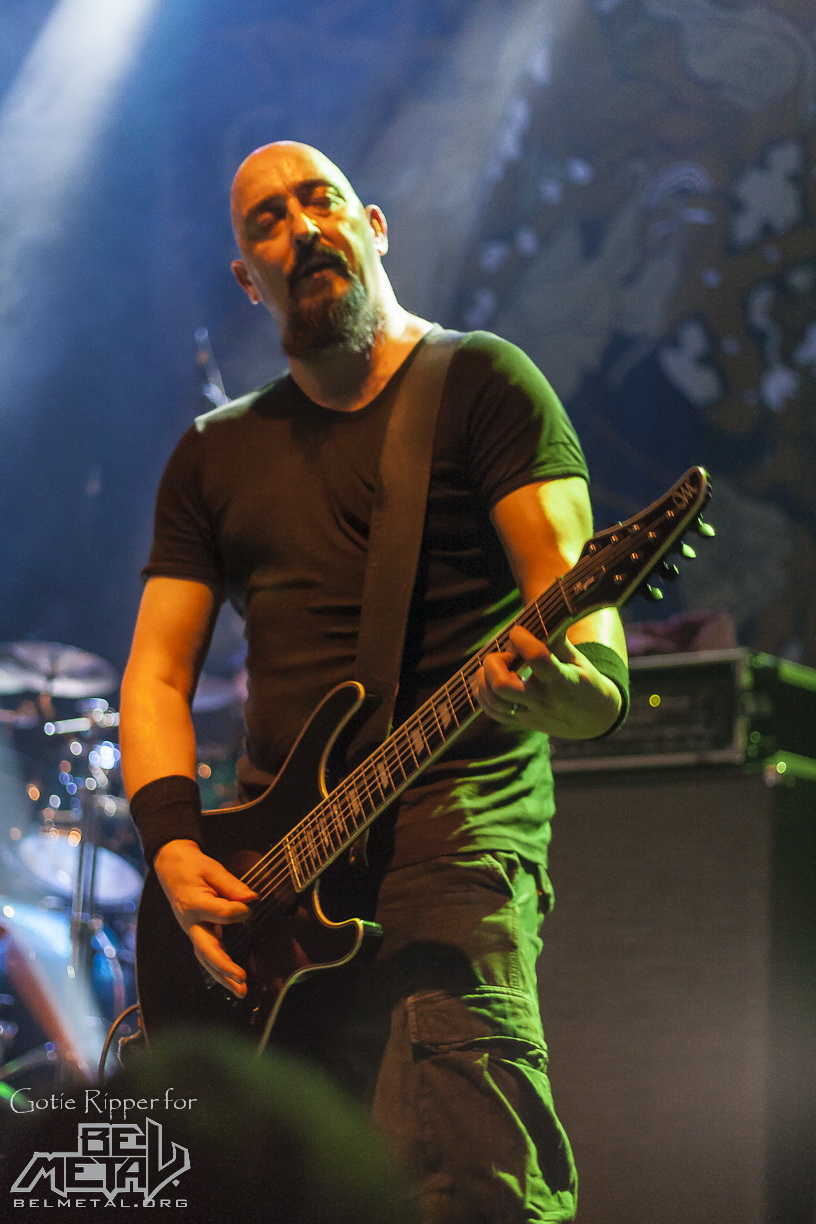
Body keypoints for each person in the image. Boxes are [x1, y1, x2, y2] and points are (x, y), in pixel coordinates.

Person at [120, 140, 628, 1224]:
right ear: (246, 277)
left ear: (374, 227)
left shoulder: (483, 383)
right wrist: (170, 845)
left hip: (449, 845)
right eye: (268, 220)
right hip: (269, 881)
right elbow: (157, 673)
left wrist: (570, 695)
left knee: (468, 1189)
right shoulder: (213, 454)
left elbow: (585, 633)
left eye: (322, 201)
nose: (302, 227)